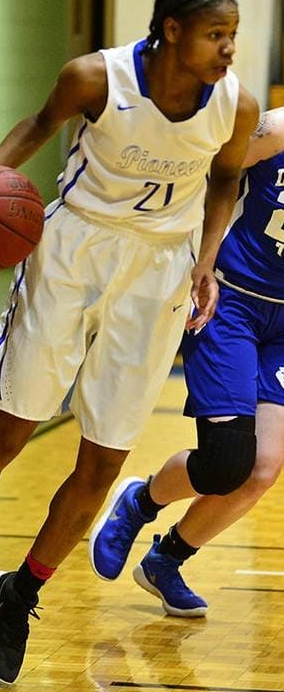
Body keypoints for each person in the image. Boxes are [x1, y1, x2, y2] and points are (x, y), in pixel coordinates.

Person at [0, 0, 258, 686]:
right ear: (171, 30)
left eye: (233, 36)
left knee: (103, 460)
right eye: (216, 34)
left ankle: (21, 589)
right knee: (10, 431)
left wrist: (206, 260)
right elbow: (37, 124)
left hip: (158, 272)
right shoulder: (95, 77)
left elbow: (223, 180)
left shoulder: (236, 105)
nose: (227, 49)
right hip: (73, 252)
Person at [89, 106, 284, 618]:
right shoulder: (277, 130)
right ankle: (140, 502)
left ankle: (166, 560)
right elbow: (210, 176)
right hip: (232, 301)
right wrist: (198, 263)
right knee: (226, 461)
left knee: (262, 472)